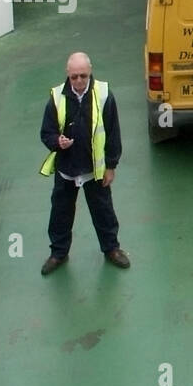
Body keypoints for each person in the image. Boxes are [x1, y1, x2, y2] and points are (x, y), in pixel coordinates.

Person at [38, 52, 130, 274]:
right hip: (66, 169)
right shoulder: (57, 98)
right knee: (60, 212)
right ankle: (58, 253)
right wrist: (57, 142)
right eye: (74, 77)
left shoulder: (104, 95)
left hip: (94, 170)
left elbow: (113, 132)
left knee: (103, 211)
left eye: (83, 76)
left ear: (90, 72)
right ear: (67, 75)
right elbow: (46, 132)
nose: (79, 81)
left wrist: (111, 165)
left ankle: (111, 248)